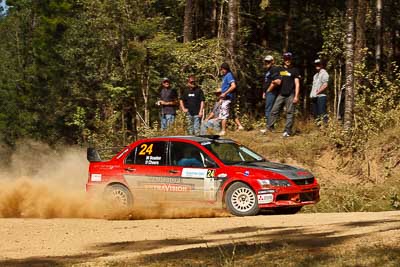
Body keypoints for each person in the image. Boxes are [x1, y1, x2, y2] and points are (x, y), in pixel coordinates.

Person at [267, 52, 300, 137]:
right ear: (284, 59)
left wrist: (296, 96)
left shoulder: (295, 70)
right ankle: (269, 127)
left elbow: (297, 84)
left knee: (290, 112)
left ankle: (287, 131)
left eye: (289, 58)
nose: (287, 60)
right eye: (286, 59)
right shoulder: (280, 70)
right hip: (281, 94)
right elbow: (274, 77)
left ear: (291, 59)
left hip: (290, 94)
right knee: (274, 110)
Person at [260, 55, 282, 133]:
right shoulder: (268, 70)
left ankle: (268, 127)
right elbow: (266, 82)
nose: (267, 63)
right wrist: (264, 92)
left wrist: (269, 90)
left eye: (269, 61)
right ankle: (271, 127)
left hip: (272, 92)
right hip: (268, 92)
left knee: (268, 109)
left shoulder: (275, 69)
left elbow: (277, 81)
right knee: (270, 109)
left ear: (273, 61)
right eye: (266, 61)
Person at [218, 62, 238, 136]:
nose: (222, 70)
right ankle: (240, 126)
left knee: (224, 114)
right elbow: (224, 88)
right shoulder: (225, 76)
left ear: (226, 69)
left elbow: (233, 86)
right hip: (224, 98)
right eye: (221, 69)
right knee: (230, 113)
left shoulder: (229, 75)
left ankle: (223, 131)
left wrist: (225, 93)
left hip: (228, 97)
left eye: (223, 69)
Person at [310, 59, 329, 124]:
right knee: (316, 113)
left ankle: (325, 127)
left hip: (321, 96)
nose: (317, 65)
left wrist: (318, 92)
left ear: (321, 65)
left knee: (322, 112)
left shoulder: (324, 73)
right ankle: (319, 128)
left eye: (318, 64)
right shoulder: (315, 76)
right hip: (314, 97)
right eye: (316, 64)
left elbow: (325, 85)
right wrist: (312, 95)